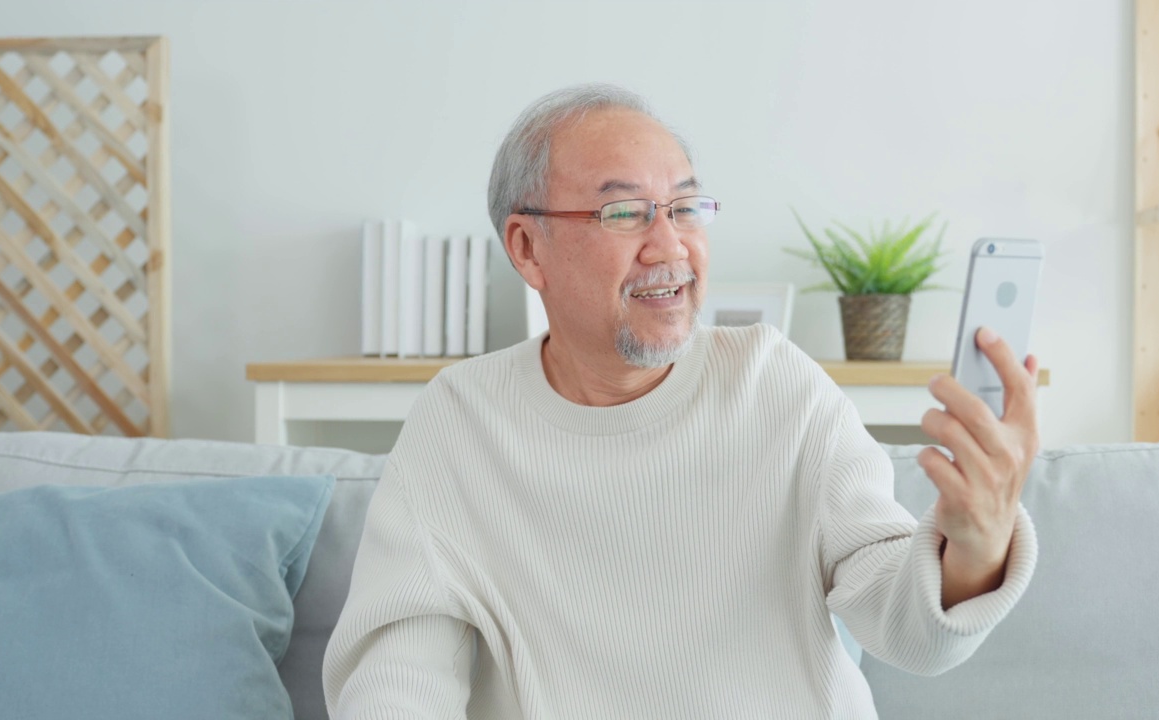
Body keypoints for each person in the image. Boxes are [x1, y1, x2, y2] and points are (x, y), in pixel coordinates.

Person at [323, 83, 1040, 719]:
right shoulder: (460, 422)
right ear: (527, 247)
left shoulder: (775, 383)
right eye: (625, 213)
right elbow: (396, 677)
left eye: (686, 208)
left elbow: (907, 629)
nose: (670, 246)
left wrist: (975, 546)